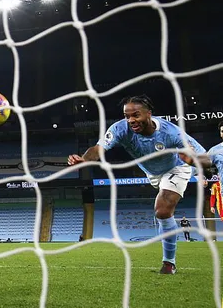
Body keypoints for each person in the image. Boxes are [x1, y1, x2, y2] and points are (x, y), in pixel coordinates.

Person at [67, 95, 211, 274]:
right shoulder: (120, 129)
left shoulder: (171, 133)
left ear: (149, 114)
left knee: (162, 209)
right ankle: (166, 240)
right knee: (162, 216)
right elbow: (98, 149)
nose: (131, 120)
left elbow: (204, 157)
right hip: (152, 172)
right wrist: (84, 159)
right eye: (127, 116)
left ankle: (169, 263)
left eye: (136, 115)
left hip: (177, 168)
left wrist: (194, 161)